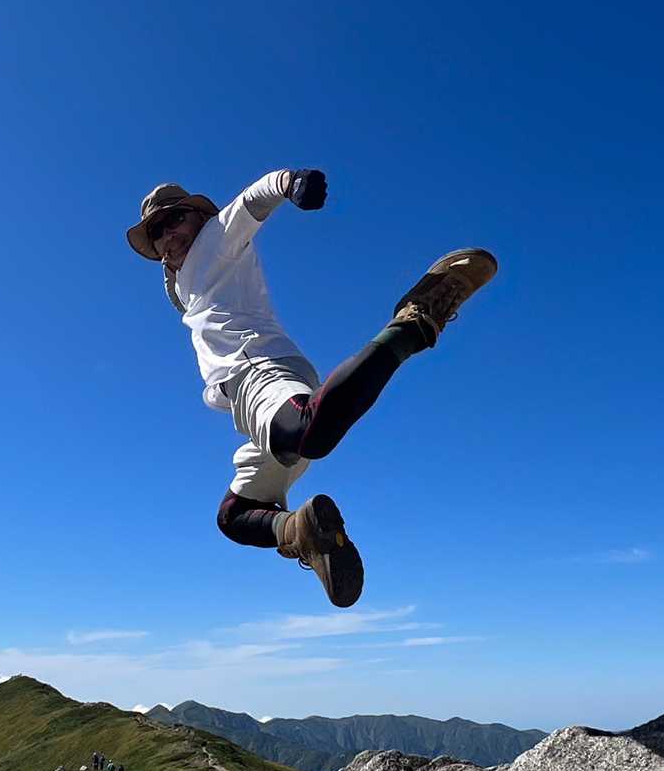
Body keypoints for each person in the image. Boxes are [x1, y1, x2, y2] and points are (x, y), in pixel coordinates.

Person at [126, 170, 496, 608]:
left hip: (259, 369)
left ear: (199, 217)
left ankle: (415, 322)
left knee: (306, 433)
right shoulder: (185, 279)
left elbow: (250, 201)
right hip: (253, 409)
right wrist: (170, 271)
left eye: (175, 220)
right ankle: (301, 531)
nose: (168, 234)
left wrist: (290, 182)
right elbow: (177, 287)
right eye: (157, 232)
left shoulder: (215, 238)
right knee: (235, 517)